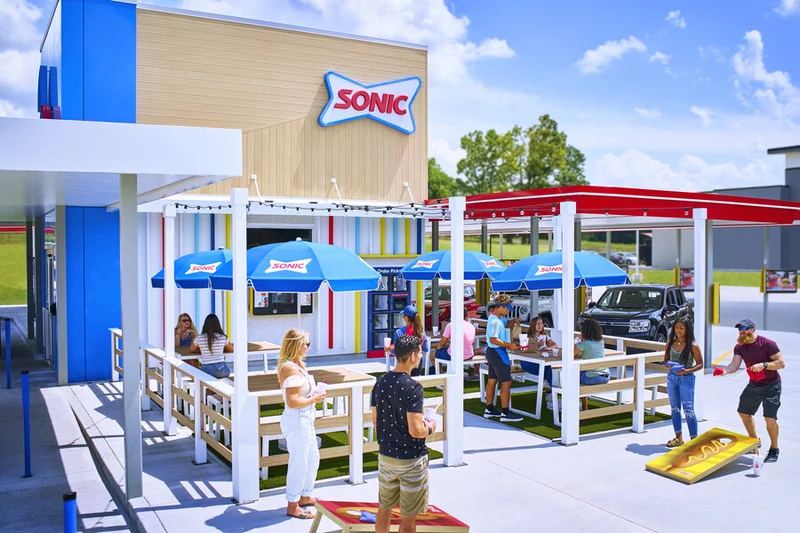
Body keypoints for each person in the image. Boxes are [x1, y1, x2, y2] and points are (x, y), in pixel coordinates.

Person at [371, 335, 435, 533]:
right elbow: (416, 430)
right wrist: (430, 427)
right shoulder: (413, 388)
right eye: (421, 353)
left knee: (384, 508)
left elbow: (375, 422)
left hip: (386, 456)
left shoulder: (380, 382)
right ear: (413, 356)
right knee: (408, 518)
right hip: (410, 460)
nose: (422, 356)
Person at [714, 319, 785, 463]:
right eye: (739, 329)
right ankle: (754, 441)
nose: (742, 331)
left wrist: (764, 365)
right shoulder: (739, 347)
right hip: (754, 385)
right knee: (743, 412)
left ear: (753, 329)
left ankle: (774, 448)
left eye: (745, 328)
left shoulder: (767, 344)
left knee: (769, 418)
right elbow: (734, 365)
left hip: (772, 385)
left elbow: (781, 363)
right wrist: (724, 370)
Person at [277, 328, 325, 519]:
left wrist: (313, 396)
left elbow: (299, 396)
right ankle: (292, 504)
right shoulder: (289, 368)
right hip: (297, 420)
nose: (308, 347)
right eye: (306, 343)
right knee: (299, 462)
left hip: (305, 419)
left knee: (312, 458)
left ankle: (304, 495)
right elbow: (293, 401)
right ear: (296, 344)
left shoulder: (299, 366)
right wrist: (315, 399)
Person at [662, 317, 703, 447]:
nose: (678, 331)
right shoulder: (670, 343)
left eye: (681, 328)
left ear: (687, 329)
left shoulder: (693, 346)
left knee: (689, 409)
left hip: (686, 379)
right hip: (672, 378)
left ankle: (694, 440)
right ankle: (678, 437)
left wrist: (686, 371)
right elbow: (665, 361)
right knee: (674, 408)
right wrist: (670, 365)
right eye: (676, 328)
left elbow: (700, 364)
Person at [483, 295, 523, 422]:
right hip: (498, 353)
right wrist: (508, 345)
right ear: (501, 307)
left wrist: (514, 321)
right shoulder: (495, 322)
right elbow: (493, 339)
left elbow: (507, 324)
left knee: (492, 380)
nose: (509, 311)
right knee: (506, 382)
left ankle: (489, 409)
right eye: (507, 309)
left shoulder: (496, 318)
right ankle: (505, 413)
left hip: (492, 352)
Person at [384, 305, 430, 376]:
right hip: (417, 364)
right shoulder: (421, 332)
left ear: (406, 318)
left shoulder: (399, 332)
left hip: (403, 364)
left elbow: (397, 351)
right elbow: (426, 349)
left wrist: (389, 349)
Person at [433, 307, 478, 378]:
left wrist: (437, 351)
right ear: (466, 316)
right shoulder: (472, 326)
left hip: (454, 355)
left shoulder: (451, 325)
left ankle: (442, 376)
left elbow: (442, 343)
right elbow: (471, 342)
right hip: (469, 355)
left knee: (432, 355)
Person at [574, 318, 608, 411]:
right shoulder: (601, 341)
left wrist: (576, 343)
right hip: (605, 376)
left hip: (594, 377)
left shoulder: (584, 343)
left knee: (573, 376)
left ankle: (576, 404)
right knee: (582, 373)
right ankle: (583, 405)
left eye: (581, 330)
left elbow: (572, 354)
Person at [190, 313, 233, 378]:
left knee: (203, 376)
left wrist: (201, 349)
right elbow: (231, 349)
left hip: (206, 369)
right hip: (222, 369)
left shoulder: (199, 338)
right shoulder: (223, 337)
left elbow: (192, 350)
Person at [519, 316, 557, 389]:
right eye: (538, 324)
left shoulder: (545, 336)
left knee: (547, 366)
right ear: (533, 325)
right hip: (528, 362)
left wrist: (548, 348)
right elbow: (524, 350)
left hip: (541, 361)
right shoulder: (528, 337)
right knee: (548, 368)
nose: (540, 325)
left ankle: (546, 384)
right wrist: (537, 344)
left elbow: (555, 345)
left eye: (541, 323)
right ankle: (547, 388)